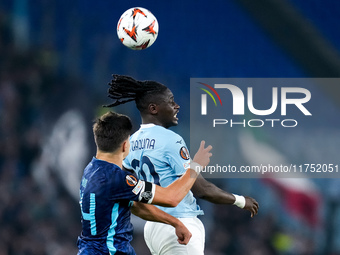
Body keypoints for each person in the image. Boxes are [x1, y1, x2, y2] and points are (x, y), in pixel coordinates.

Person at [106, 75, 259, 255]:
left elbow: (128, 194)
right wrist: (241, 201)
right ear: (153, 108)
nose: (176, 106)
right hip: (178, 222)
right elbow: (202, 189)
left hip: (153, 228)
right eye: (170, 102)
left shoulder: (130, 143)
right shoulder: (171, 140)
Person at [77, 111, 212, 255]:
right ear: (124, 145)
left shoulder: (91, 170)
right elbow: (171, 198)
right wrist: (196, 166)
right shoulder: (117, 179)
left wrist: (175, 222)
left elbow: (136, 205)